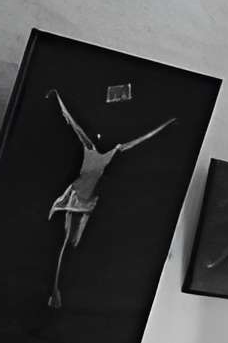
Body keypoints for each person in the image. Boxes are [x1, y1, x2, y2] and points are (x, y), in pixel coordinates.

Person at [45, 91, 177, 309]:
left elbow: (140, 140)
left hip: (87, 201)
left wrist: (164, 125)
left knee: (75, 243)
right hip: (76, 196)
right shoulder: (89, 147)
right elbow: (73, 122)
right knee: (65, 242)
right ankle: (55, 292)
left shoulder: (114, 151)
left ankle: (64, 290)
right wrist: (58, 97)